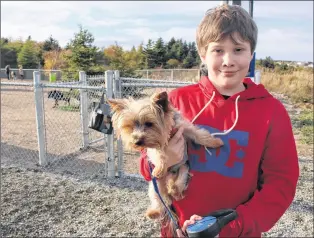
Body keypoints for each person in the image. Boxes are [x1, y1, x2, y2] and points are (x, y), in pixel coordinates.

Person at [139, 3, 299, 237]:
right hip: (179, 231)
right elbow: (145, 165)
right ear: (203, 54)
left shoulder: (271, 112)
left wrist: (229, 227)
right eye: (217, 50)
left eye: (238, 49)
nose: (228, 60)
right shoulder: (176, 102)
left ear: (251, 54)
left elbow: (280, 185)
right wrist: (161, 161)